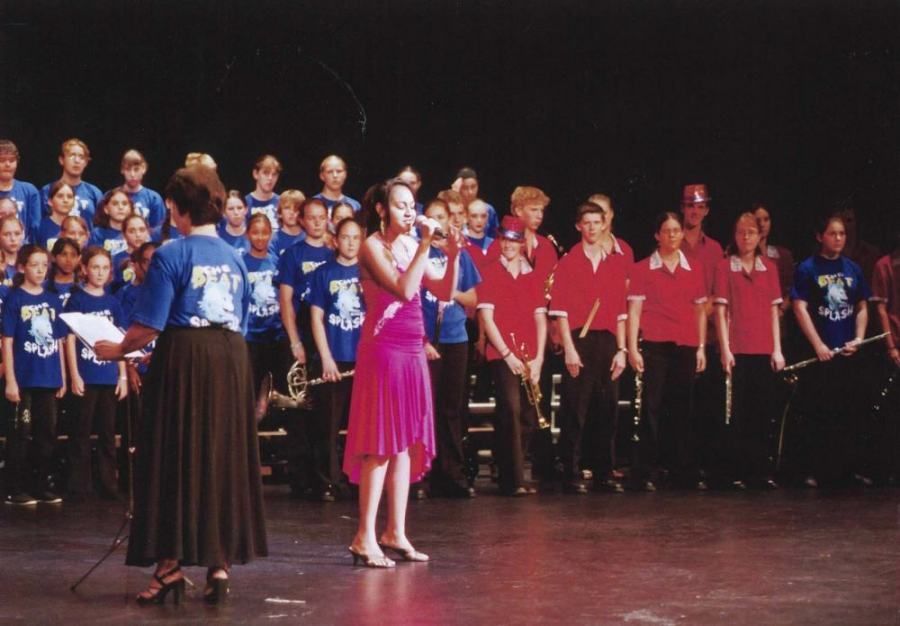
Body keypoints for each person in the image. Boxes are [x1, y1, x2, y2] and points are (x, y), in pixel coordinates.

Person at [94, 165, 267, 605]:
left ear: (177, 207)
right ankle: (219, 564)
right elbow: (238, 320)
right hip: (231, 362)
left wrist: (114, 350)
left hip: (186, 364)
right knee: (219, 457)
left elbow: (148, 325)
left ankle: (169, 567)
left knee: (172, 457)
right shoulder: (234, 256)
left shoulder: (172, 253)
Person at [344, 178, 460, 567]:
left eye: (412, 205)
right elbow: (405, 289)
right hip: (384, 350)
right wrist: (427, 244)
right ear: (381, 210)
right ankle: (363, 535)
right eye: (400, 205)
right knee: (380, 443)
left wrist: (455, 254)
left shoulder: (411, 243)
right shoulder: (372, 247)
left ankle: (395, 531)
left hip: (411, 350)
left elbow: (442, 292)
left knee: (405, 443)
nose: (410, 211)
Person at [550, 199, 631, 494]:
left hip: (608, 341)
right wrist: (570, 349)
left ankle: (603, 472)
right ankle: (571, 473)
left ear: (604, 224)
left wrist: (622, 350)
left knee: (607, 407)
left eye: (598, 222)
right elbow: (560, 311)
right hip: (579, 340)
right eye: (588, 223)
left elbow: (621, 313)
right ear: (578, 226)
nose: (593, 228)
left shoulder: (615, 263)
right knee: (575, 409)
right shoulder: (568, 262)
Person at [627, 212, 708, 491]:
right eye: (667, 231)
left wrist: (700, 347)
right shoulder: (642, 268)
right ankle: (647, 470)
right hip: (655, 344)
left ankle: (679, 469)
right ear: (657, 235)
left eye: (676, 230)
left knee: (682, 407)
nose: (673, 235)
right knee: (652, 407)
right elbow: (634, 312)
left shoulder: (694, 268)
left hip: (685, 345)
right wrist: (631, 349)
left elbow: (700, 311)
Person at [791, 213, 872, 488]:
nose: (838, 238)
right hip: (821, 353)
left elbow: (862, 305)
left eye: (842, 234)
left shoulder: (853, 268)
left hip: (846, 352)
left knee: (847, 412)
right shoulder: (807, 268)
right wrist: (818, 345)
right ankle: (815, 470)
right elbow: (800, 307)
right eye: (832, 233)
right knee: (818, 413)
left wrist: (859, 338)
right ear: (819, 236)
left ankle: (846, 470)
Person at [476, 215, 548, 496]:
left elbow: (540, 319)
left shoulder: (533, 274)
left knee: (530, 414)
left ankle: (512, 470)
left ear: (521, 243)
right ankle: (513, 478)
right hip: (503, 353)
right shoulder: (490, 271)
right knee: (511, 408)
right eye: (504, 239)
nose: (508, 245)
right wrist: (507, 354)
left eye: (514, 241)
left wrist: (540, 358)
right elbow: (487, 318)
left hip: (530, 354)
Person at [713, 213, 785, 489]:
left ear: (759, 236)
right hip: (739, 349)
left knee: (761, 411)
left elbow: (773, 311)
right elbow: (721, 312)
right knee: (738, 413)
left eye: (751, 233)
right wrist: (725, 349)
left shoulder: (769, 267)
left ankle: (760, 471)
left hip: (764, 348)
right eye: (742, 232)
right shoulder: (725, 267)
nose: (746, 238)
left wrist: (777, 350)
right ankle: (737, 471)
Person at [420, 199, 481, 498]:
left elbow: (472, 299)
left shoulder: (460, 255)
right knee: (425, 408)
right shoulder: (417, 253)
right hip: (425, 339)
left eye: (440, 217)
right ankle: (424, 474)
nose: (435, 222)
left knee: (451, 409)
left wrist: (449, 290)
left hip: (455, 337)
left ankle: (453, 474)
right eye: (429, 217)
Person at [2, 245, 67, 506]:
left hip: (48, 377)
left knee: (46, 433)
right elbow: (7, 341)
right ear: (22, 267)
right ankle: (15, 488)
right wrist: (10, 381)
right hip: (24, 379)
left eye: (44, 265)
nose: (40, 270)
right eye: (34, 264)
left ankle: (39, 485)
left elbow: (60, 341)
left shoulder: (52, 299)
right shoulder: (14, 299)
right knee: (21, 433)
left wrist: (61, 375)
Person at [307, 217, 366, 501]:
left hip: (364, 360)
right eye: (346, 237)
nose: (351, 243)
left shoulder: (369, 272)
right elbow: (316, 318)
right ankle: (327, 482)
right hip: (333, 358)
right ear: (336, 240)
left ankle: (356, 480)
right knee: (327, 424)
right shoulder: (323, 273)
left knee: (361, 425)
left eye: (356, 237)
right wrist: (326, 357)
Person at [64, 247, 128, 501]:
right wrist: (75, 375)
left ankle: (107, 484)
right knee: (81, 430)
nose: (100, 273)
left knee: (107, 431)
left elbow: (121, 341)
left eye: (104, 268)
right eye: (95, 267)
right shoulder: (77, 299)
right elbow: (69, 339)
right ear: (84, 270)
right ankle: (79, 486)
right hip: (86, 374)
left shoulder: (113, 302)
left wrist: (122, 376)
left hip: (108, 375)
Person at [243, 213, 289, 414]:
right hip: (251, 337)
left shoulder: (277, 263)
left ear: (271, 234)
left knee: (278, 392)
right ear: (247, 234)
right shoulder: (241, 263)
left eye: (264, 233)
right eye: (255, 233)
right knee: (250, 391)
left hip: (276, 334)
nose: (260, 237)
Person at [40, 138, 103, 226]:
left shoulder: (94, 192)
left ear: (86, 162)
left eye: (81, 157)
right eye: (72, 155)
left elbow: (101, 225)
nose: (77, 161)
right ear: (61, 160)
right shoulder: (47, 190)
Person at [0, 140, 41, 242]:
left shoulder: (29, 191)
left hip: (23, 251)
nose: (7, 164)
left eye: (12, 160)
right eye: (2, 160)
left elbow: (35, 226)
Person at [119, 149, 165, 229]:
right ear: (122, 170)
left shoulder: (154, 198)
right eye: (128, 169)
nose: (132, 174)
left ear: (144, 169)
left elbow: (158, 230)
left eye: (136, 169)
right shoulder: (112, 197)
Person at [110, 214, 151, 292]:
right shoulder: (117, 259)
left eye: (142, 230)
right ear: (124, 234)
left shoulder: (155, 255)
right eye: (132, 231)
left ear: (148, 232)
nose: (138, 235)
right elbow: (113, 287)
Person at [454, 167, 499, 238]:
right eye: (465, 188)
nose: (470, 192)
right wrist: (454, 192)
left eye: (473, 187)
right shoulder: (456, 211)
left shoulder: (488, 209)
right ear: (459, 189)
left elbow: (495, 237)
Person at [88, 188, 133, 256]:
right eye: (115, 204)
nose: (120, 207)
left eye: (124, 204)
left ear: (130, 209)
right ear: (106, 209)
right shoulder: (97, 234)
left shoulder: (138, 233)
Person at [245, 154, 281, 232]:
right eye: (266, 173)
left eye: (274, 174)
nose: (270, 178)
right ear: (255, 174)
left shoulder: (282, 202)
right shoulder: (245, 203)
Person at [35, 181, 75, 250]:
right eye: (60, 196)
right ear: (50, 202)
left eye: (69, 197)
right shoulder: (40, 227)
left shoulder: (78, 226)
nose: (65, 200)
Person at [271, 189, 306, 255]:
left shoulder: (309, 238)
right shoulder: (273, 240)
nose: (292, 212)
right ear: (280, 213)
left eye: (296, 208)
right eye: (287, 208)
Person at [48, 238, 80, 309]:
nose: (69, 260)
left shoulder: (83, 287)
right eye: (64, 254)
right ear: (53, 257)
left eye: (73, 255)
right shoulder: (43, 287)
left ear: (78, 259)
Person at [217, 190, 250, 256]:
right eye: (231, 209)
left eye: (239, 208)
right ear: (224, 213)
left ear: (246, 210)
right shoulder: (217, 237)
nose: (236, 212)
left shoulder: (254, 234)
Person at [0, 216, 25, 285]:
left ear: (22, 235)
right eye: (7, 234)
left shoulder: (29, 261)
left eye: (17, 234)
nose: (13, 239)